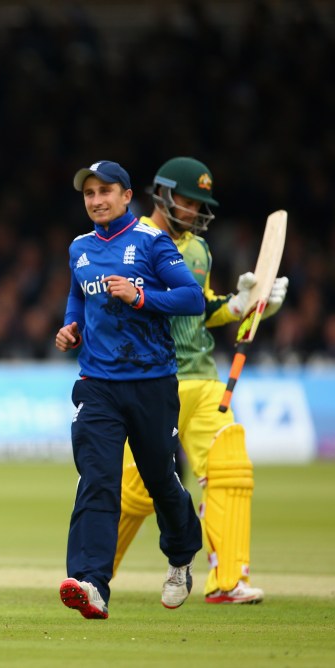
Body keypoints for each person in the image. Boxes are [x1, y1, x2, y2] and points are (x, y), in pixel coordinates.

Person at [111, 156, 288, 604]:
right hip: (154, 379)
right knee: (137, 491)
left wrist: (243, 305)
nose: (194, 211)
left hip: (204, 380)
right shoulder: (133, 242)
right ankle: (92, 573)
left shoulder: (197, 249)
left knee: (230, 466)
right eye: (189, 202)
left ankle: (228, 581)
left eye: (199, 204)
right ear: (165, 195)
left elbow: (200, 310)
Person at [54, 160, 204, 620]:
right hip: (97, 384)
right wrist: (69, 327)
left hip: (151, 383)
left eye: (105, 191)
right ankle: (90, 582)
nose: (96, 200)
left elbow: (191, 298)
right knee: (97, 479)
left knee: (161, 480)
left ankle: (180, 557)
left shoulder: (151, 242)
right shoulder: (79, 247)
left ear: (126, 195)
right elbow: (78, 295)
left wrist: (141, 297)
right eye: (89, 193)